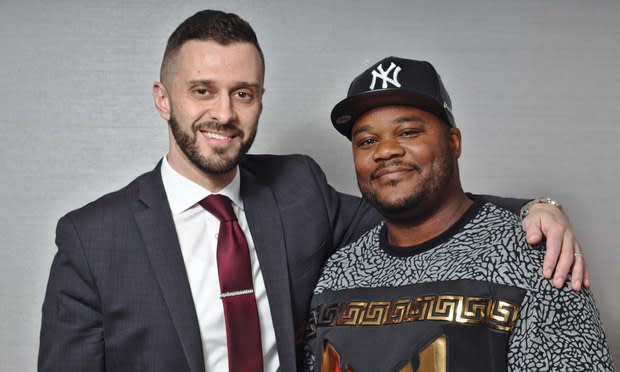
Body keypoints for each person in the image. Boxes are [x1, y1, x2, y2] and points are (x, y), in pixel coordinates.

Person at [38, 10, 587, 372]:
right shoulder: (93, 240)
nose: (224, 114)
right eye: (202, 90)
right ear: (164, 98)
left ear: (260, 99)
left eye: (244, 93)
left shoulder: (297, 191)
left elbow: (417, 206)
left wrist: (535, 210)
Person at [303, 57, 613, 371]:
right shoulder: (337, 274)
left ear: (453, 142)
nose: (386, 151)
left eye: (408, 132)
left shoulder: (533, 258)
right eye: (367, 141)